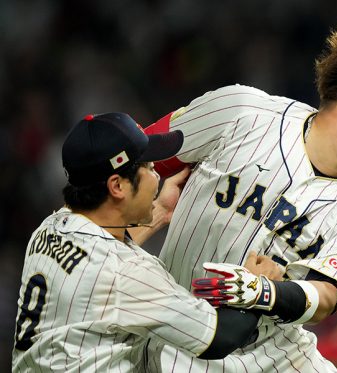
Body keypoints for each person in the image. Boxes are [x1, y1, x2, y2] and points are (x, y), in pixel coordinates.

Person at [144, 16, 337, 372]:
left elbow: (326, 296)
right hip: (170, 332)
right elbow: (130, 158)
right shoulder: (242, 112)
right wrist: (140, 220)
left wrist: (264, 294)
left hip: (271, 355)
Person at [11, 112, 281, 372]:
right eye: (150, 168)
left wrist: (161, 211)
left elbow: (103, 267)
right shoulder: (129, 274)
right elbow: (220, 338)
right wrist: (256, 287)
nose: (157, 176)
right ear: (117, 186)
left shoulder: (50, 228)